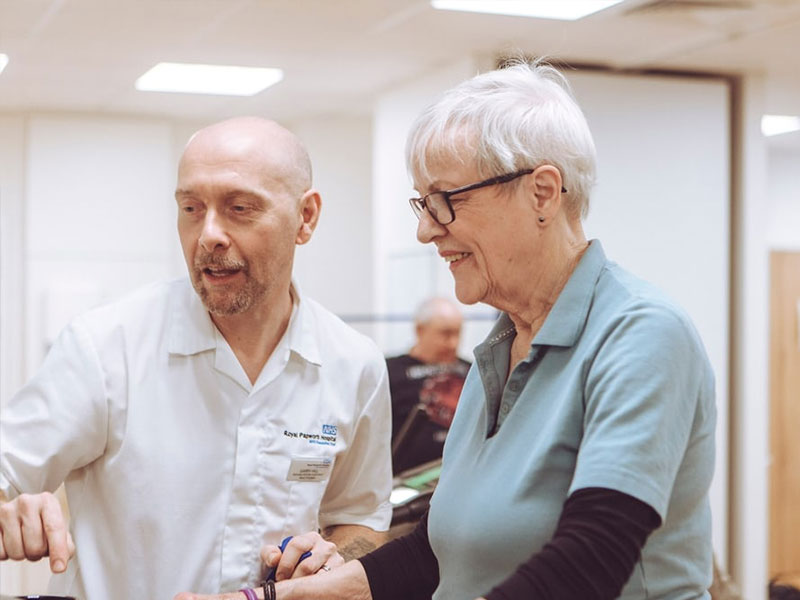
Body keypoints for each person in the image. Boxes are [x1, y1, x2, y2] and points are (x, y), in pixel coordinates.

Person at [174, 60, 718, 600]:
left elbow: (593, 556)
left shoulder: (641, 334)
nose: (425, 229)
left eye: (446, 201)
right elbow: (435, 552)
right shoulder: (498, 350)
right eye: (423, 203)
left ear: (543, 193)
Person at [0, 117, 393, 599]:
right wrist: (10, 511)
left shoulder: (355, 365)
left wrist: (334, 556)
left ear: (305, 217)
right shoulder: (107, 347)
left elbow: (360, 520)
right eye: (191, 208)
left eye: (239, 208)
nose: (208, 235)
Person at [386, 297, 470, 474]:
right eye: (445, 334)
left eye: (458, 334)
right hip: (407, 476)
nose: (453, 343)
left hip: (462, 472)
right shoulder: (390, 372)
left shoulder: (473, 371)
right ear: (420, 330)